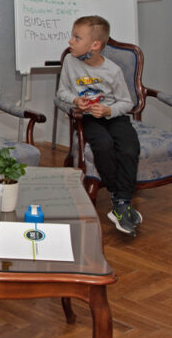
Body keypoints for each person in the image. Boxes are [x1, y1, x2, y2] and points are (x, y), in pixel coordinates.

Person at [56, 16, 142, 236]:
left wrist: (108, 110)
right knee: (102, 145)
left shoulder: (112, 71)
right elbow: (62, 92)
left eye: (77, 37)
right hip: (88, 118)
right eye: (72, 36)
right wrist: (76, 101)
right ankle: (119, 199)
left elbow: (127, 103)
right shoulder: (69, 62)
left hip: (114, 116)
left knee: (129, 147)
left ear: (95, 45)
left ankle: (122, 200)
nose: (70, 41)